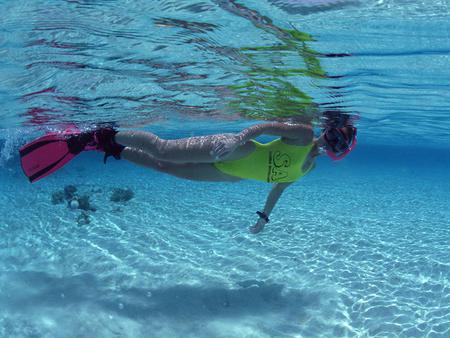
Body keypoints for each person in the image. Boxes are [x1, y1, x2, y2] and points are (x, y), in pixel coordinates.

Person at [20, 118, 357, 233]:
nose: (330, 141)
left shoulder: (307, 168)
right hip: (236, 149)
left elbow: (279, 188)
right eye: (333, 134)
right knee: (163, 150)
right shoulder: (302, 132)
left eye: (337, 142)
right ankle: (105, 132)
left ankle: (108, 147)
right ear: (327, 130)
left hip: (231, 175)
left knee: (165, 167)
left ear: (339, 151)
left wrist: (264, 217)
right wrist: (239, 139)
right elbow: (265, 126)